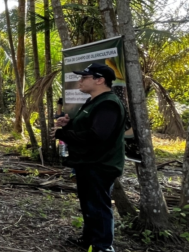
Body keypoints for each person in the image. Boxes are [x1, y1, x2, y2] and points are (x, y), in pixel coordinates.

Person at [52, 63, 125, 252]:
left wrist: (62, 134)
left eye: (85, 77)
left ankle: (103, 246)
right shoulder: (94, 101)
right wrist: (68, 124)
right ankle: (90, 240)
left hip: (100, 164)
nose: (80, 81)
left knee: (99, 206)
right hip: (88, 162)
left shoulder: (108, 103)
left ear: (99, 80)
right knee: (89, 204)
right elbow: (87, 128)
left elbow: (97, 136)